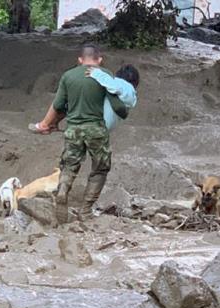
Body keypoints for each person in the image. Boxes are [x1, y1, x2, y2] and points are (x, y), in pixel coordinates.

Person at [39, 45, 129, 224]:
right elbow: (118, 106)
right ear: (99, 59)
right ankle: (86, 210)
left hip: (73, 130)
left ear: (79, 60)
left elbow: (58, 105)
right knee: (100, 168)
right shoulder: (104, 74)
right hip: (95, 129)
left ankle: (63, 190)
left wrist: (49, 124)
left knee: (69, 165)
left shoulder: (68, 76)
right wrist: (124, 111)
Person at [29, 63, 140, 134]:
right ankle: (52, 124)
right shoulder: (131, 95)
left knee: (66, 101)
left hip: (93, 122)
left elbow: (114, 86)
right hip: (102, 128)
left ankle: (45, 124)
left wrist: (97, 74)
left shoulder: (125, 86)